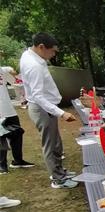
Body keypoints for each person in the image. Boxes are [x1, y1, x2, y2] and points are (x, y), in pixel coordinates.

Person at [19, 33, 78, 189]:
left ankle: (59, 171)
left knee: (56, 143)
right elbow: (38, 96)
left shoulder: (30, 56)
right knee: (50, 145)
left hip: (46, 107)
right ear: (41, 47)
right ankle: (58, 179)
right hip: (42, 109)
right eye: (52, 51)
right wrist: (61, 113)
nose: (53, 55)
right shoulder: (34, 66)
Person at [0, 66, 34, 174]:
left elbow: (16, 80)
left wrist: (13, 71)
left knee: (17, 133)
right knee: (1, 138)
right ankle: (2, 165)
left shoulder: (2, 70)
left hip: (8, 110)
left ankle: (17, 161)